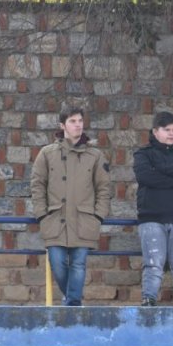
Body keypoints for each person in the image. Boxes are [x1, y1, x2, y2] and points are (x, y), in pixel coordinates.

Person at [30, 107, 111, 306]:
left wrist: (98, 215)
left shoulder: (95, 155)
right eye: (73, 121)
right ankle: (71, 298)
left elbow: (104, 187)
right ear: (62, 125)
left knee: (78, 264)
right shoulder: (47, 153)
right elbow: (37, 184)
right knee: (57, 263)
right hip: (54, 219)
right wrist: (41, 213)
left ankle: (73, 304)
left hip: (84, 220)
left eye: (80, 121)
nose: (78, 125)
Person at [133, 111, 173, 307]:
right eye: (166, 130)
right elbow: (146, 177)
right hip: (151, 217)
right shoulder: (143, 154)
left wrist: (162, 168)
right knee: (153, 263)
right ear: (155, 131)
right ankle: (149, 299)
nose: (171, 133)